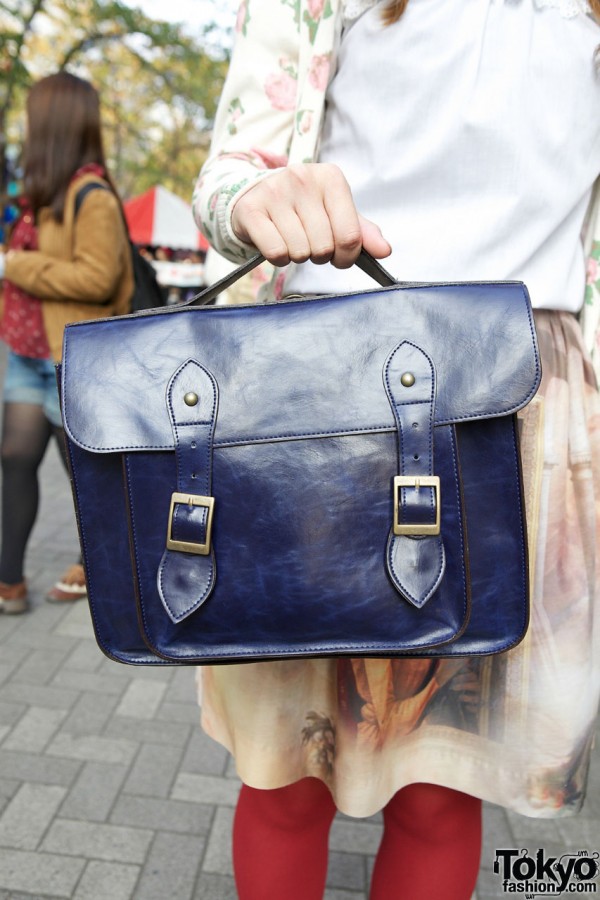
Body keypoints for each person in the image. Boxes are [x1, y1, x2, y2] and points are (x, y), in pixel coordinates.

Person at [193, 1, 600, 897]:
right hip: (320, 399)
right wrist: (253, 198)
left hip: (523, 413)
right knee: (288, 771)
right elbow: (229, 171)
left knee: (442, 788)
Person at [0, 72, 133, 614]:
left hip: (69, 357)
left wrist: (17, 265)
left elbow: (97, 279)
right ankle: (9, 581)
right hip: (25, 349)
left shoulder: (92, 195)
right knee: (13, 456)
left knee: (82, 474)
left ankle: (98, 566)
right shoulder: (38, 196)